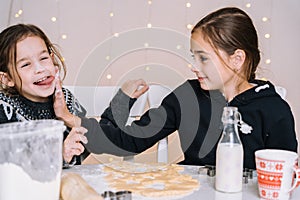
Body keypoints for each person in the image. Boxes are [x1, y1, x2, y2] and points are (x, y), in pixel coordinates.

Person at [55, 7, 298, 169]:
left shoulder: (274, 109)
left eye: (203, 58)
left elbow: (284, 174)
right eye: (194, 57)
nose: (194, 67)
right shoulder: (188, 96)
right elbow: (129, 140)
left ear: (236, 59)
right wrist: (72, 119)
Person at [0, 23, 88, 165]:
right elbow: (11, 164)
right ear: (8, 78)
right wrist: (60, 154)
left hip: (66, 183)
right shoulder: (4, 108)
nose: (40, 69)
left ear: (52, 59)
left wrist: (66, 116)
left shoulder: (66, 99)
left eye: (43, 58)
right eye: (26, 64)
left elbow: (90, 144)